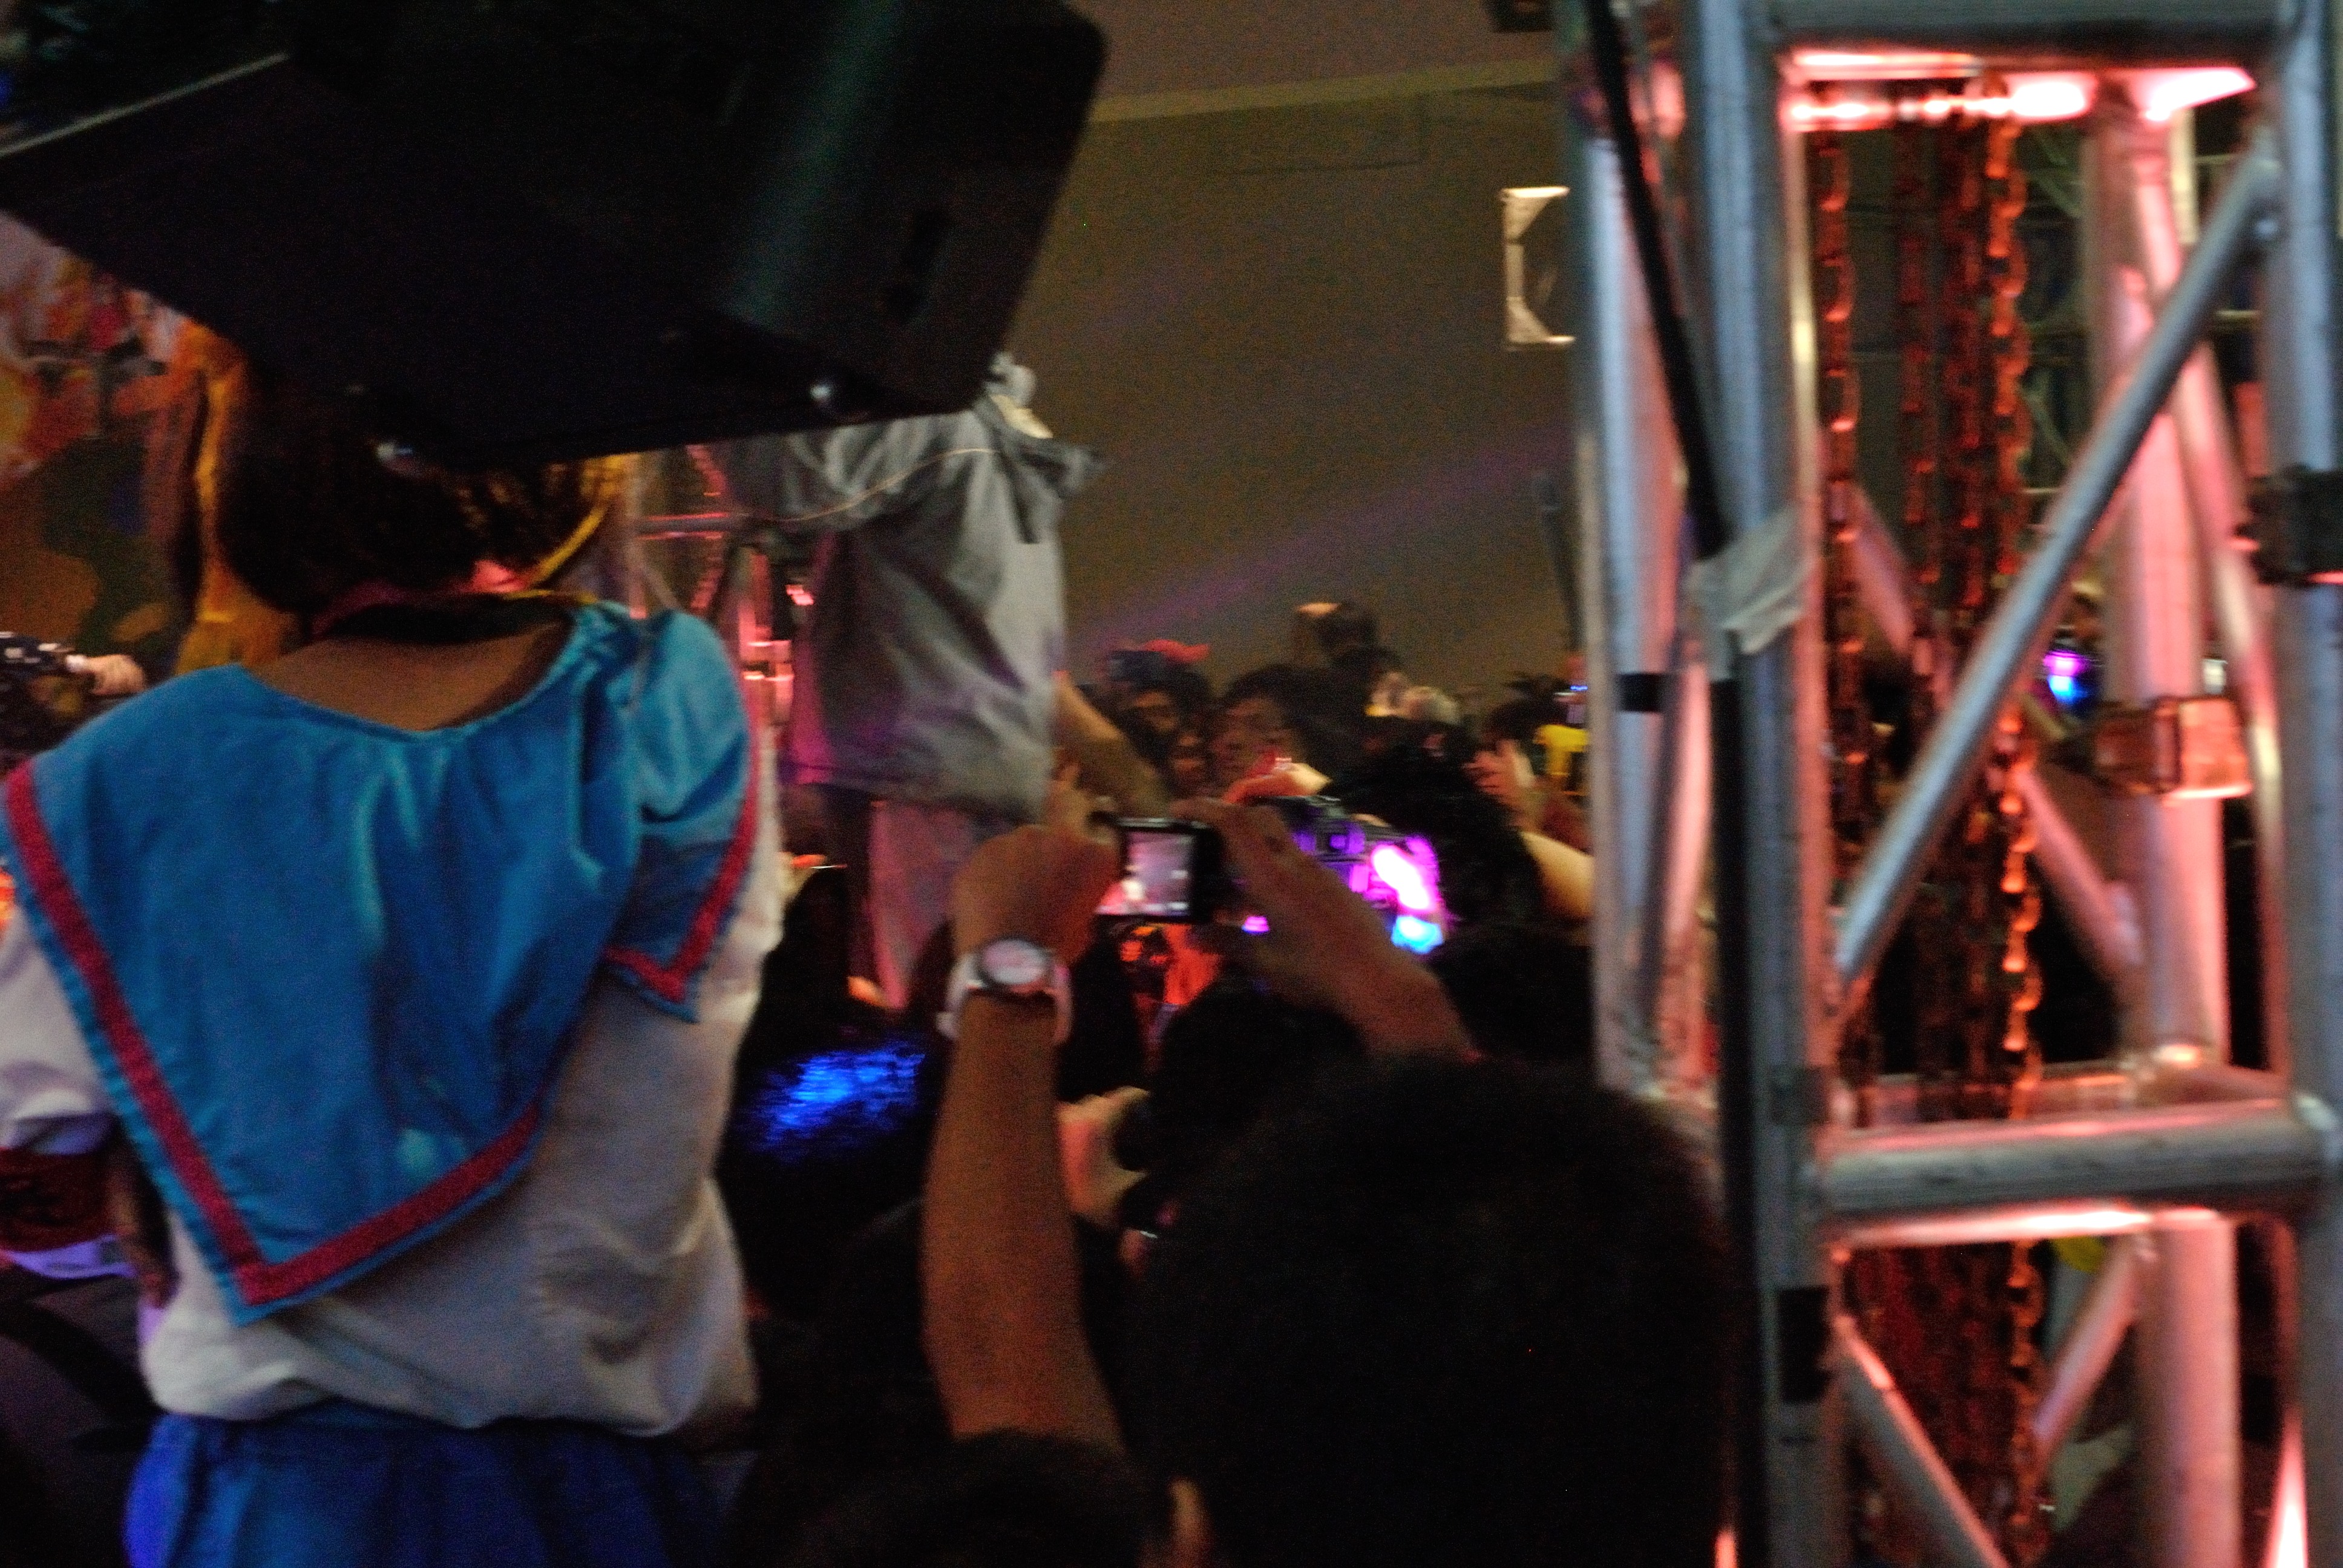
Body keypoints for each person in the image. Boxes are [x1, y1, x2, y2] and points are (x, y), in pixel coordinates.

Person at [0, 347, 783, 1567]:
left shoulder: (130, 776)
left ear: (238, 461)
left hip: (279, 1501)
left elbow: (26, 1156)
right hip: (611, 1497)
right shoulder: (671, 715)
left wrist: (141, 1176)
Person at [696, 355, 1107, 1008]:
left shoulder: (930, 418)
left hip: (929, 783)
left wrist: (707, 375)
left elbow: (784, 483)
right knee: (941, 1000)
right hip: (951, 776)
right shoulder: (985, 423)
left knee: (933, 1011)